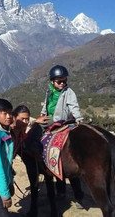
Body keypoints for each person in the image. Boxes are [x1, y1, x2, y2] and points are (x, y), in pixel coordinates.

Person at [40, 65, 84, 207]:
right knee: (43, 147)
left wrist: (78, 118)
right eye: (59, 81)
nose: (62, 84)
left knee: (63, 155)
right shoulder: (49, 91)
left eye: (64, 81)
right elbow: (46, 105)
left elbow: (73, 106)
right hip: (50, 123)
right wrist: (42, 115)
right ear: (52, 81)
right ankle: (60, 191)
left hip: (64, 123)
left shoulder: (68, 92)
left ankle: (78, 195)